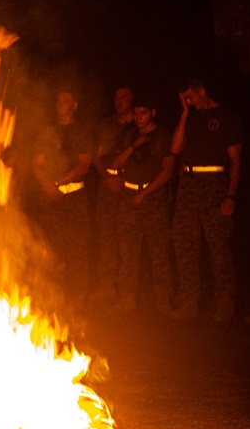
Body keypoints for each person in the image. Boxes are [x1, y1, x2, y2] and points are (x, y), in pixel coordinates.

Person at [170, 78, 243, 321]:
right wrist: (183, 114)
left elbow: (235, 160)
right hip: (188, 186)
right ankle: (190, 300)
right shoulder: (189, 118)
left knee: (218, 244)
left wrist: (230, 195)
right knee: (185, 243)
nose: (188, 101)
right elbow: (176, 149)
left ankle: (225, 301)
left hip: (214, 185)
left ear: (201, 91)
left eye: (190, 97)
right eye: (184, 99)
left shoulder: (226, 117)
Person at [106, 96, 175, 314]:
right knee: (127, 253)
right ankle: (127, 299)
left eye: (143, 113)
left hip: (153, 199)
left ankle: (163, 301)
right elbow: (113, 164)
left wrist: (144, 193)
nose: (138, 117)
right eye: (136, 113)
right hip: (128, 198)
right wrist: (132, 146)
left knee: (159, 252)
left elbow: (167, 171)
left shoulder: (163, 136)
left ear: (153, 112)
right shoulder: (129, 135)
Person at [32, 89, 94, 311]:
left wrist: (59, 183)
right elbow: (36, 163)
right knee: (54, 247)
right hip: (52, 198)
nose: (61, 104)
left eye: (67, 100)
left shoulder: (80, 131)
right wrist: (47, 185)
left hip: (74, 198)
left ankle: (78, 298)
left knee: (77, 247)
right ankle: (57, 296)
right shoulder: (48, 132)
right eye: (58, 100)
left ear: (74, 105)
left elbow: (84, 165)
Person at [90, 86, 136, 305]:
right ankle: (106, 287)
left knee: (127, 241)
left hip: (130, 187)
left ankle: (127, 293)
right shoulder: (105, 126)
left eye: (124, 97)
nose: (120, 101)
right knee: (106, 237)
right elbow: (96, 156)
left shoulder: (139, 122)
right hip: (107, 186)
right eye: (116, 98)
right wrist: (106, 178)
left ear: (132, 100)